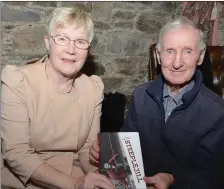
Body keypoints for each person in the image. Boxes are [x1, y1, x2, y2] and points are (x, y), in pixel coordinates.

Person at [90, 16, 224, 189]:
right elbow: (126, 153)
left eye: (188, 51)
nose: (177, 62)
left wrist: (174, 180)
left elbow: (213, 177)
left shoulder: (216, 111)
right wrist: (107, 152)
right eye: (170, 51)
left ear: (200, 57)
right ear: (159, 55)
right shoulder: (141, 96)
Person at [1, 7, 114, 189]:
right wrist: (75, 184)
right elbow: (16, 152)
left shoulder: (93, 88)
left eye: (80, 42)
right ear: (48, 43)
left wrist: (95, 178)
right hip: (26, 179)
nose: (71, 50)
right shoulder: (17, 81)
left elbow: (87, 149)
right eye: (62, 38)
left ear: (88, 50)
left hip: (76, 173)